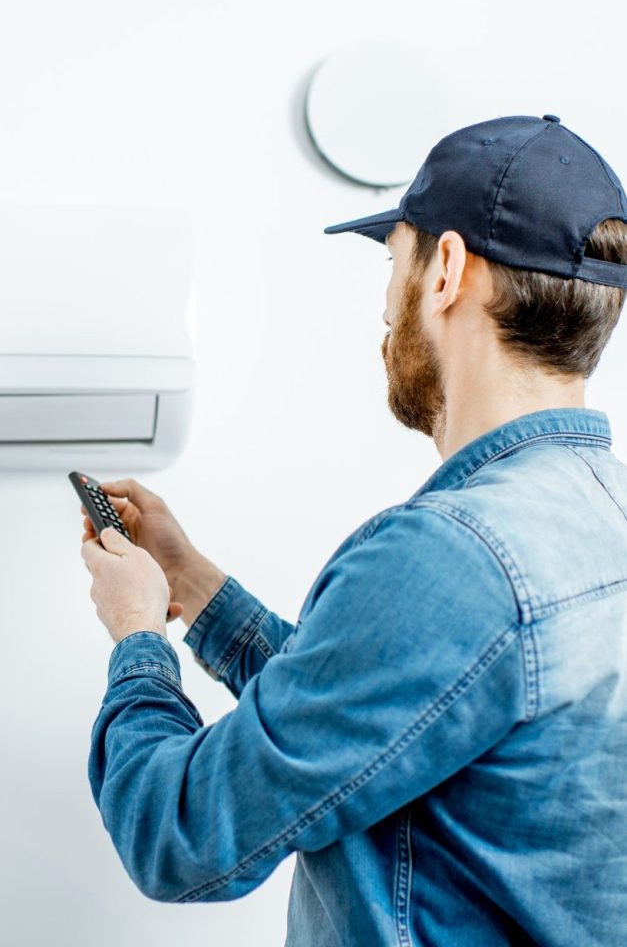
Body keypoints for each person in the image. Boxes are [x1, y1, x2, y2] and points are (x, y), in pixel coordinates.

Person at [81, 113, 627, 946]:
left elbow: (181, 835)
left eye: (392, 260)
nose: (384, 300)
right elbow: (399, 712)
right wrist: (190, 585)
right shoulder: (595, 520)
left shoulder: (456, 554)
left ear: (445, 269)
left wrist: (135, 637)